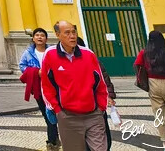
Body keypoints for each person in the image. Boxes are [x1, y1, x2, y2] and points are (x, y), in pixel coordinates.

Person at [41, 21, 108, 151]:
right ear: (58, 35)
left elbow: (101, 83)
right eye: (67, 33)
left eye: (74, 32)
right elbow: (46, 86)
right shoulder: (50, 55)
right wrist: (57, 110)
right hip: (68, 116)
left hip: (93, 115)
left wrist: (101, 108)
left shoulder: (88, 54)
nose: (72, 36)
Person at [19, 28, 59, 151]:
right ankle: (53, 139)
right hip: (38, 87)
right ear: (33, 38)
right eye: (37, 35)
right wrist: (36, 72)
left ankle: (52, 140)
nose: (40, 37)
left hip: (53, 86)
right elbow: (22, 66)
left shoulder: (52, 51)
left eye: (42, 35)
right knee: (46, 112)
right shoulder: (28, 53)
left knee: (53, 112)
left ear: (46, 38)